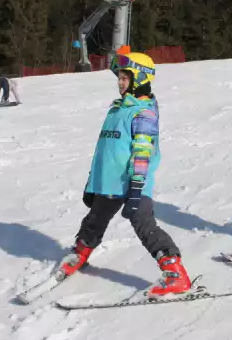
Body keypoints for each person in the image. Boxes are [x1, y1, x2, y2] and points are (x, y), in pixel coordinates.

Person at [60, 52, 192, 297]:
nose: (120, 82)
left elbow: (142, 153)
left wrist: (136, 186)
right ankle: (81, 252)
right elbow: (104, 151)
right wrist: (92, 183)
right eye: (119, 78)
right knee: (95, 219)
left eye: (124, 78)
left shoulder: (143, 113)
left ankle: (176, 273)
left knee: (145, 226)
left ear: (140, 78)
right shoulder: (118, 109)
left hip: (133, 183)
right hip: (109, 182)